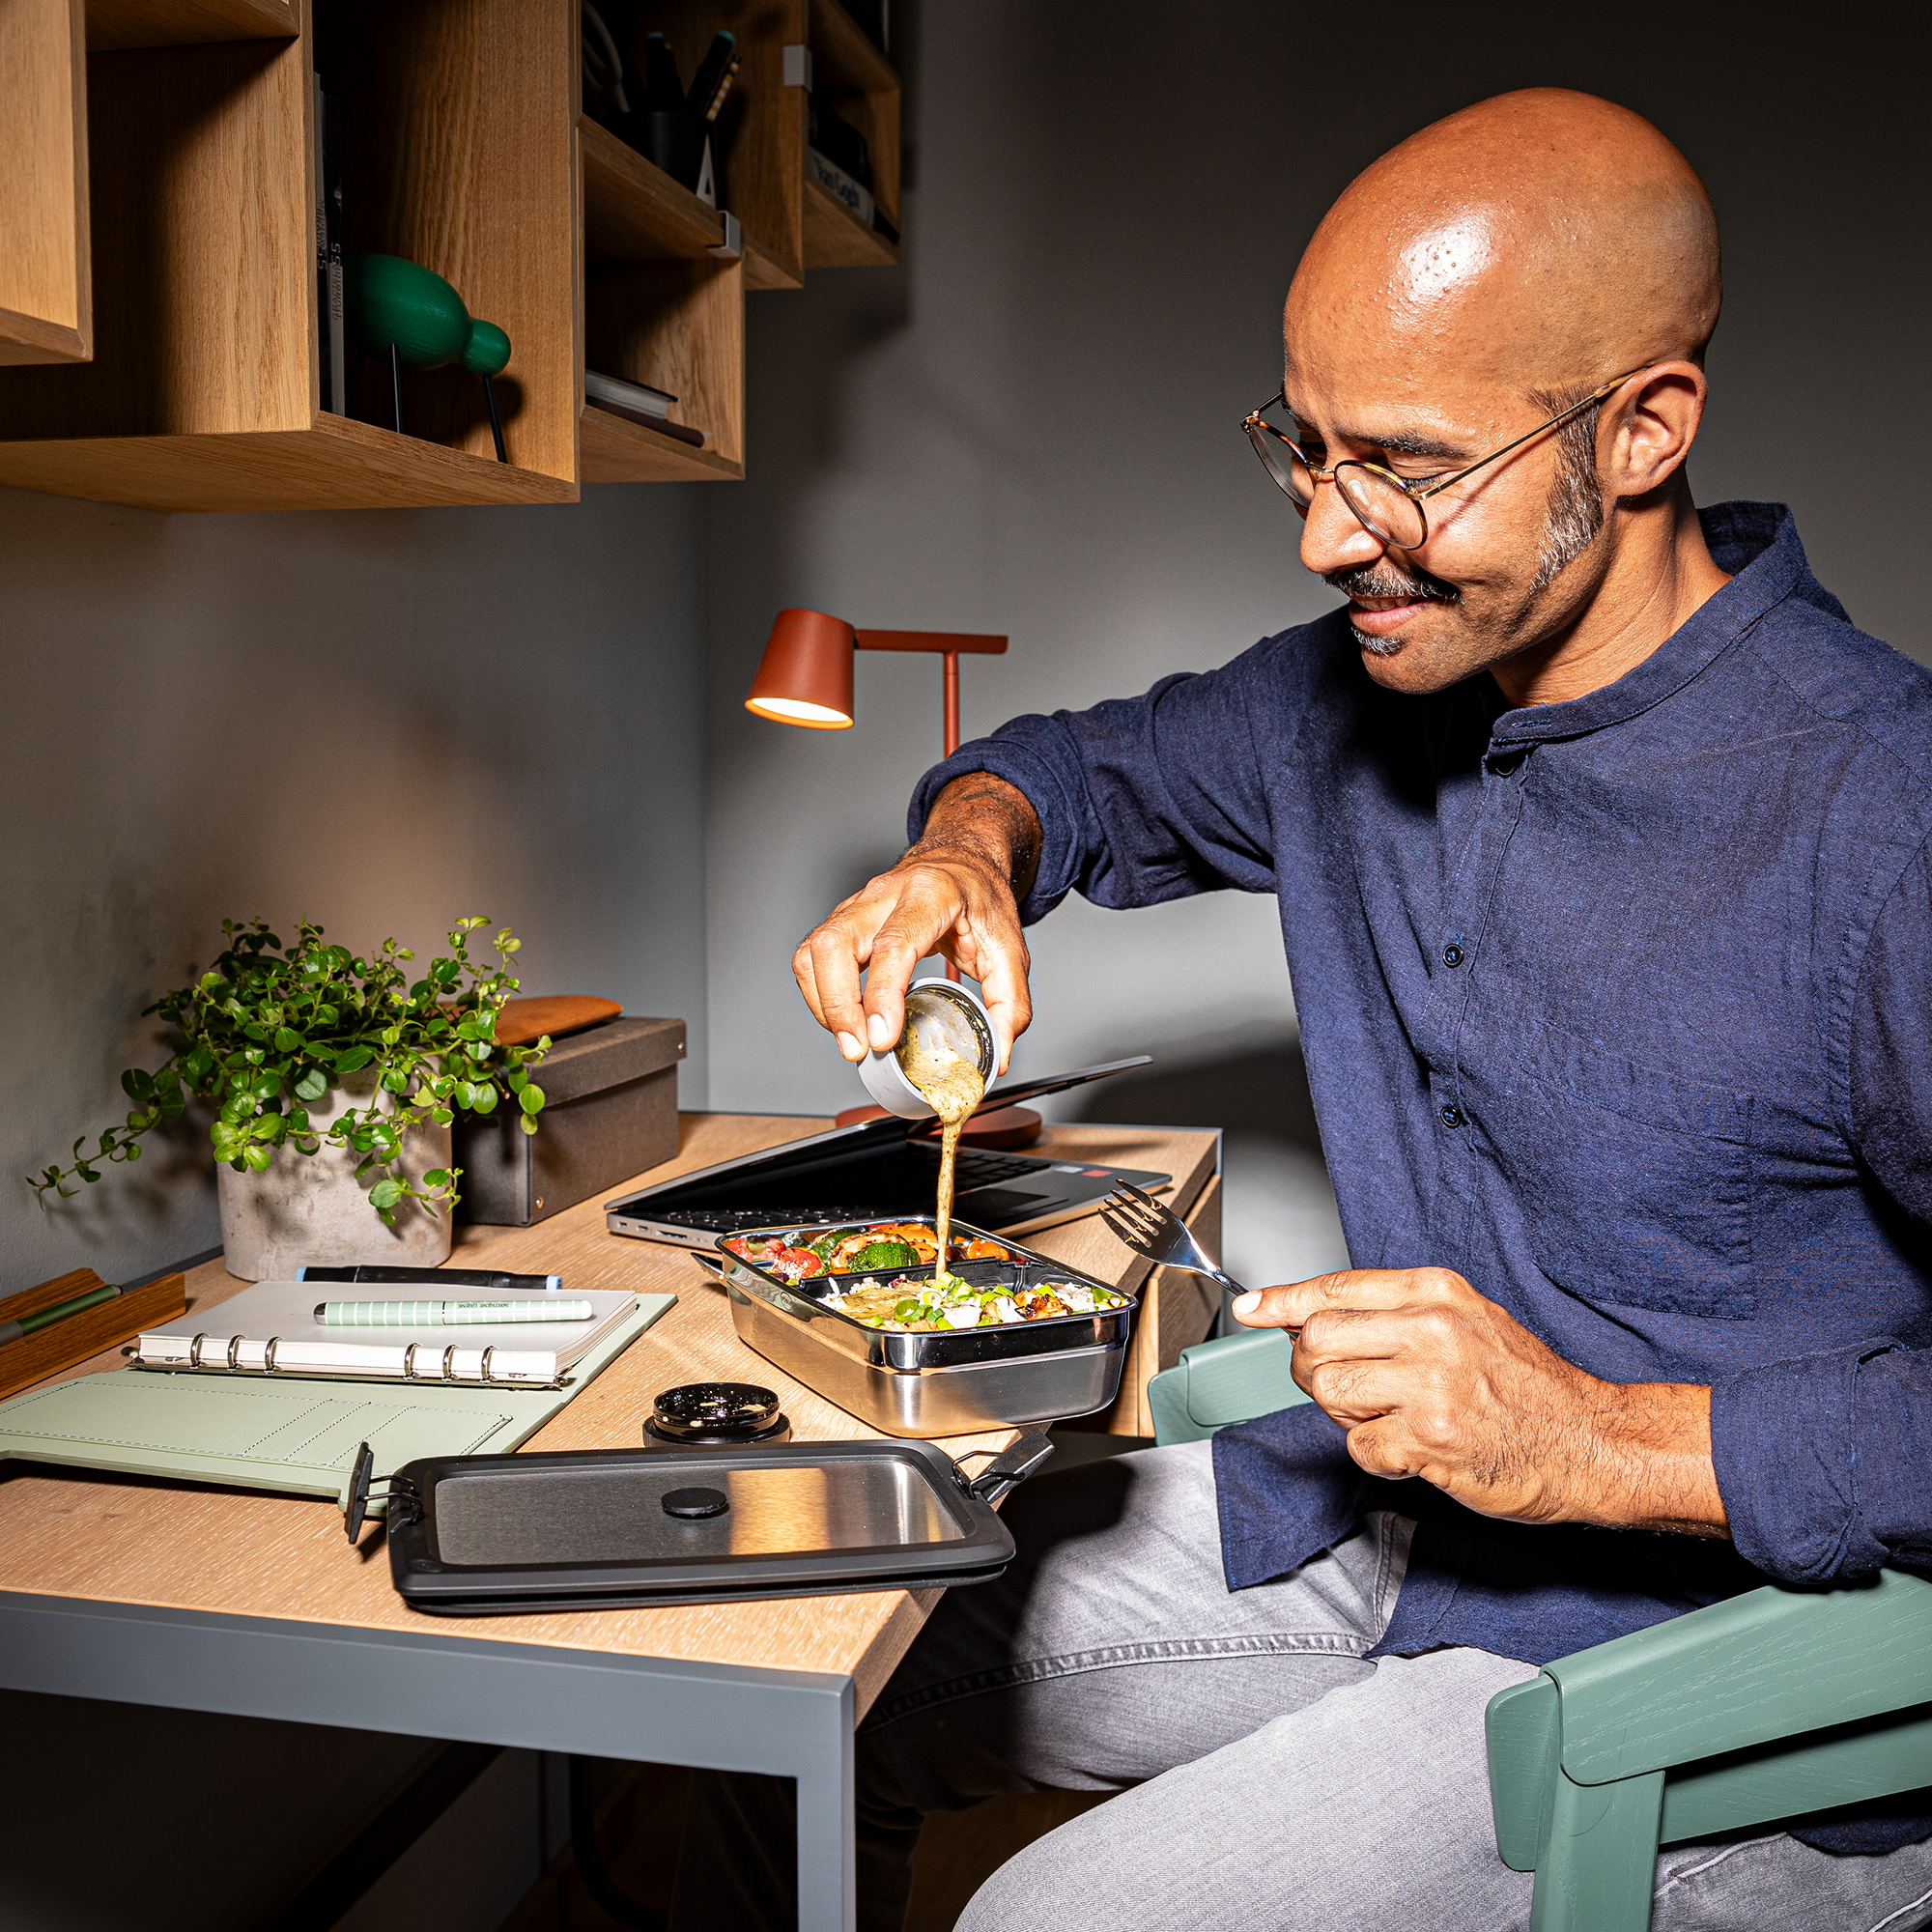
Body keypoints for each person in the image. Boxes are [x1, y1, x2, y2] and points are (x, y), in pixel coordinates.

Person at [671, 89, 1932, 1930]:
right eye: (1304, 448)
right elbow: (1074, 769)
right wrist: (965, 850)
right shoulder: (1349, 695)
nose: (1330, 535)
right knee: (780, 1665)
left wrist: (1600, 1439)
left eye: (1406, 465)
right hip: (1404, 1535)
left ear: (1645, 430)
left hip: (1742, 1679)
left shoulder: (1885, 812)